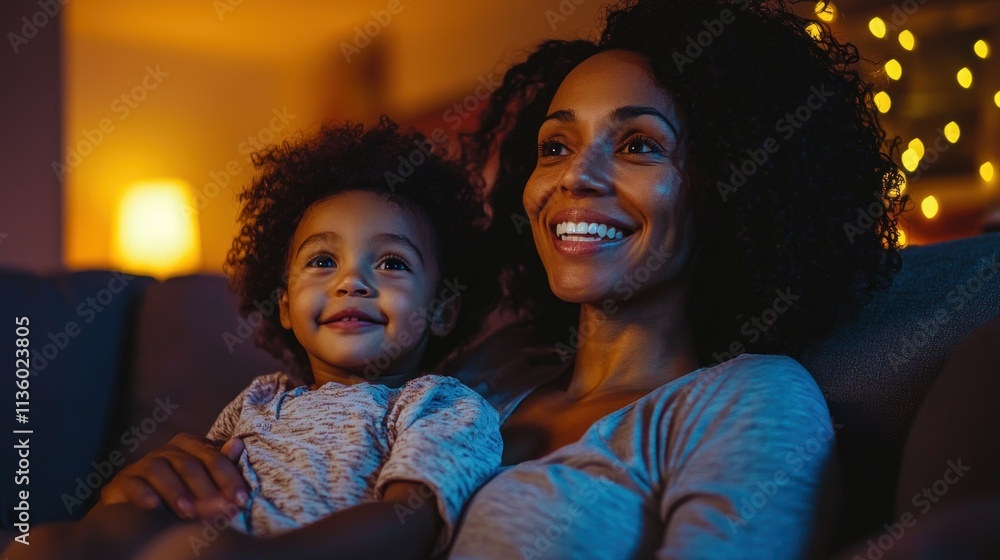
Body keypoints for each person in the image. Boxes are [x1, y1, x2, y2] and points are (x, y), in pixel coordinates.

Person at [80, 0, 906, 557]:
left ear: (734, 183)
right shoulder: (486, 370)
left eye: (638, 145)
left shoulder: (751, 401)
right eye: (554, 146)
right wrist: (151, 493)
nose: (571, 180)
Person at [6, 118, 502, 560]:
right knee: (56, 540)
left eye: (392, 263)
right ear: (285, 305)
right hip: (197, 538)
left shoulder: (442, 405)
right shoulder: (262, 396)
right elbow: (198, 476)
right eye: (322, 261)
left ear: (441, 309)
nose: (351, 282)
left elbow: (410, 521)